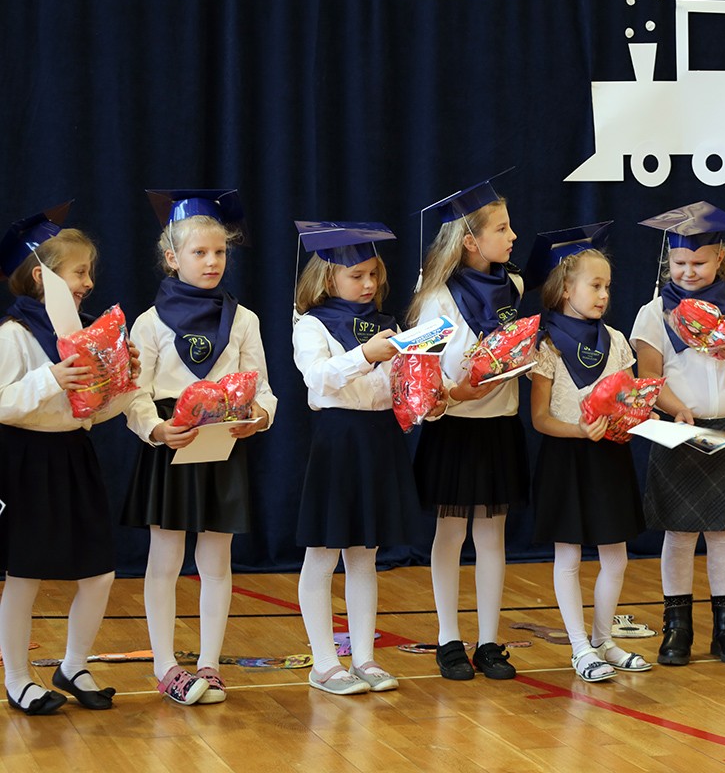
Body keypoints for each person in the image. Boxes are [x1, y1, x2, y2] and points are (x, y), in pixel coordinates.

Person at [123, 189, 275, 704]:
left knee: (216, 559)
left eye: (220, 252)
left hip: (222, 445)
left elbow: (262, 386)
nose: (212, 261)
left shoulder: (244, 319)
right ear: (172, 257)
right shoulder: (149, 322)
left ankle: (209, 663)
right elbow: (134, 393)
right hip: (172, 443)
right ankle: (165, 665)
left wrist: (260, 417)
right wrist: (156, 428)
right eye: (199, 252)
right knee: (165, 558)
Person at [0, 205, 138, 715]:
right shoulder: (13, 334)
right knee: (24, 575)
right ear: (43, 277)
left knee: (99, 572)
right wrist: (49, 378)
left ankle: (73, 665)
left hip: (73, 456)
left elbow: (92, 413)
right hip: (25, 460)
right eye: (80, 272)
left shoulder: (84, 335)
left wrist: (123, 383)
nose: (89, 283)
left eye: (89, 272)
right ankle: (18, 679)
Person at [292, 222, 432, 695]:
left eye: (374, 274)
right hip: (338, 439)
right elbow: (317, 378)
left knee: (365, 555)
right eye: (357, 275)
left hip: (380, 438)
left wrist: (427, 394)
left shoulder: (388, 325)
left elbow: (400, 387)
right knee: (323, 552)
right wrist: (366, 355)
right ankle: (323, 663)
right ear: (328, 277)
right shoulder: (311, 324)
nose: (369, 283)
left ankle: (365, 658)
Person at [631, 202, 725, 666]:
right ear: (668, 261)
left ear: (719, 259)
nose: (688, 272)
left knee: (724, 534)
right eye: (680, 263)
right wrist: (677, 409)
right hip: (681, 432)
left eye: (698, 262)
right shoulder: (653, 313)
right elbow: (648, 378)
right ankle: (677, 628)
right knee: (679, 533)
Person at [407, 177, 524, 681]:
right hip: (454, 426)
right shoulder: (435, 296)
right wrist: (457, 390)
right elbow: (420, 374)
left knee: (493, 534)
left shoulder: (515, 287)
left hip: (499, 425)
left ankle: (490, 642)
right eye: (502, 228)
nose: (513, 236)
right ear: (471, 241)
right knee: (451, 532)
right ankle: (448, 639)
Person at [525, 225, 649, 682]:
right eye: (595, 286)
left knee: (616, 557)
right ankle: (579, 648)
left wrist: (637, 415)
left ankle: (603, 640)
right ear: (565, 288)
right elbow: (540, 418)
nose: (604, 296)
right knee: (570, 558)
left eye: (607, 287)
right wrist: (579, 430)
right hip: (567, 458)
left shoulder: (616, 340)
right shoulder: (547, 345)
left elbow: (630, 400)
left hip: (610, 457)